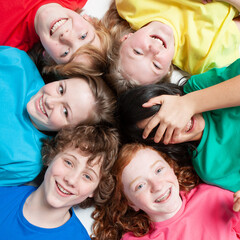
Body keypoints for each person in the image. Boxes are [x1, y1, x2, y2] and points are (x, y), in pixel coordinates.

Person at [117, 58, 240, 192]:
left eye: (165, 111)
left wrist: (189, 103)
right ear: (163, 145)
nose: (176, 122)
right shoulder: (210, 168)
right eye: (162, 129)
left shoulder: (197, 87)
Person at [0, 46, 116, 186]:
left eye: (65, 112)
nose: (50, 101)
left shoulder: (26, 162)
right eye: (61, 90)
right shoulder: (17, 62)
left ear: (72, 130)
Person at [92, 143, 240, 240]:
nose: (156, 185)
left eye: (158, 170)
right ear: (130, 202)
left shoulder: (213, 197)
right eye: (140, 186)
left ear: (171, 167)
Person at [0, 124, 119, 240]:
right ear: (51, 156)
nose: (71, 180)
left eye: (87, 176)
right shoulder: (4, 193)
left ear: (94, 190)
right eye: (68, 162)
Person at [103, 0, 240, 93]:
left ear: (125, 38)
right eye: (156, 65)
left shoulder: (131, 5)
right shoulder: (205, 56)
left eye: (138, 52)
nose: (154, 50)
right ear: (168, 69)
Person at [1, 0, 112, 76]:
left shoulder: (6, 43)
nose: (67, 36)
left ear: (48, 56)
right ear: (88, 20)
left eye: (65, 52)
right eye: (83, 36)